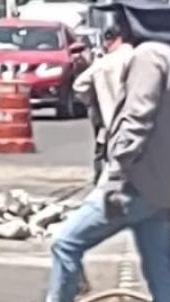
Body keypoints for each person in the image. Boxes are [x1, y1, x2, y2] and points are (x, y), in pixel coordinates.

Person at [10, 0, 170, 302]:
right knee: (160, 268)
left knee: (66, 243)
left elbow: (136, 120)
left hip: (134, 182)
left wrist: (114, 177)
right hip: (164, 185)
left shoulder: (147, 57)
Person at [73, 24, 134, 183]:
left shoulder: (103, 63)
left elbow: (79, 85)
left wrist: (92, 101)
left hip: (108, 122)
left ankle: (103, 187)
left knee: (104, 155)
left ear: (113, 40)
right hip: (134, 119)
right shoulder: (136, 58)